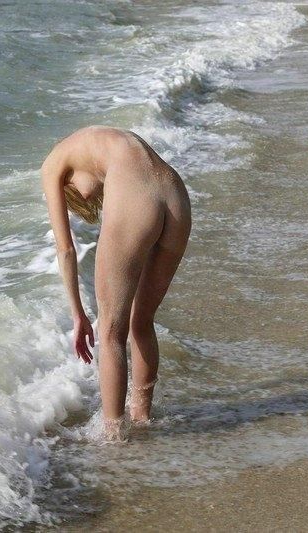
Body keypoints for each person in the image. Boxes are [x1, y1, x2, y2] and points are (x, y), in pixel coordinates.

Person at [40, 125, 191, 440]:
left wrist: (78, 314)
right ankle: (142, 418)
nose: (89, 198)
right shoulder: (97, 141)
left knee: (109, 332)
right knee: (141, 322)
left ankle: (113, 439)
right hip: (176, 195)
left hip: (136, 196)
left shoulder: (53, 163)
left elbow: (65, 249)